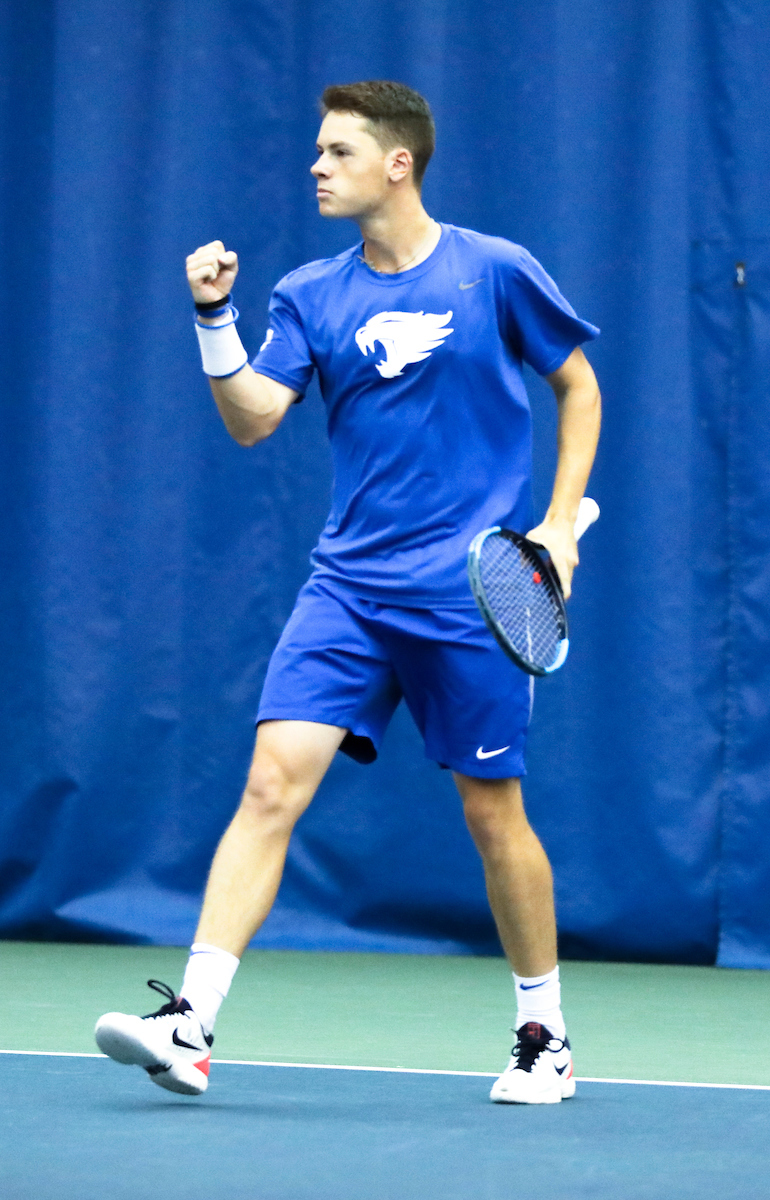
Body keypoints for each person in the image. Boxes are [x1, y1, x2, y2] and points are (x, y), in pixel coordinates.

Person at [95, 80, 601, 1105]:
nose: (315, 166)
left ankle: (542, 1034)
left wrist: (556, 522)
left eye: (335, 151)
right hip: (349, 591)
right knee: (269, 784)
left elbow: (576, 384)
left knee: (491, 813)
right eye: (318, 151)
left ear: (396, 163)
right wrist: (210, 317)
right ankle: (189, 1026)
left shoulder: (494, 272)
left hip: (466, 597)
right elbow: (252, 418)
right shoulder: (309, 294)